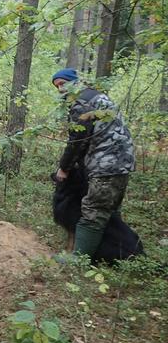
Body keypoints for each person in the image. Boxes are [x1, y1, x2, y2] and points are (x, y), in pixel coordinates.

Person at [52, 68, 135, 258]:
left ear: (75, 82)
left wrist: (64, 168)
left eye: (63, 84)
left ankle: (79, 259)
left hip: (106, 163)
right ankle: (114, 254)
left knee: (93, 209)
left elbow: (78, 138)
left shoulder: (82, 101)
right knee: (109, 210)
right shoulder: (97, 97)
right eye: (57, 86)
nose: (60, 89)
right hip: (122, 161)